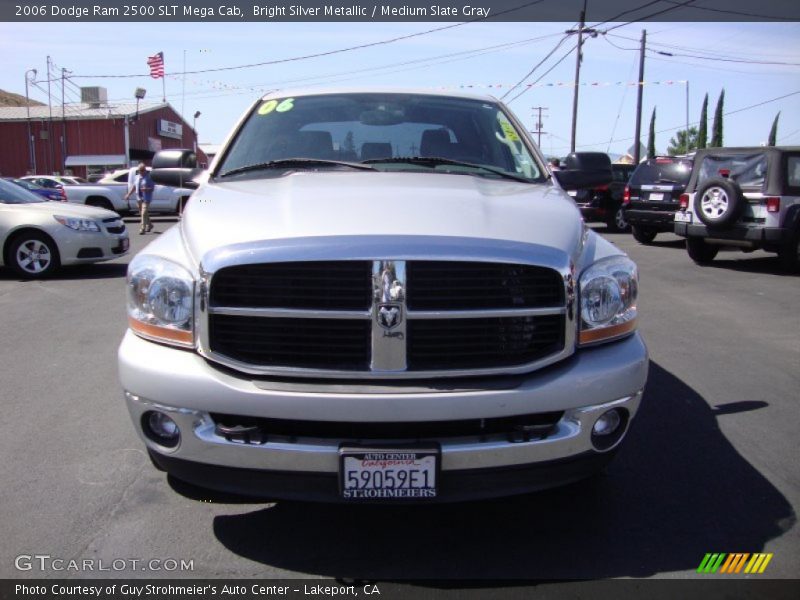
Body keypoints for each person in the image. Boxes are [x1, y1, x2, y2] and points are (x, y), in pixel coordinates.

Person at [125, 163, 155, 234]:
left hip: (146, 198)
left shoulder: (149, 178)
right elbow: (134, 187)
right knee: (143, 213)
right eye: (140, 170)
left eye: (142, 170)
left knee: (143, 212)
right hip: (139, 198)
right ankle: (150, 225)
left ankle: (142, 228)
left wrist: (146, 189)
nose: (141, 172)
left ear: (145, 170)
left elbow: (152, 188)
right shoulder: (137, 177)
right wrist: (128, 194)